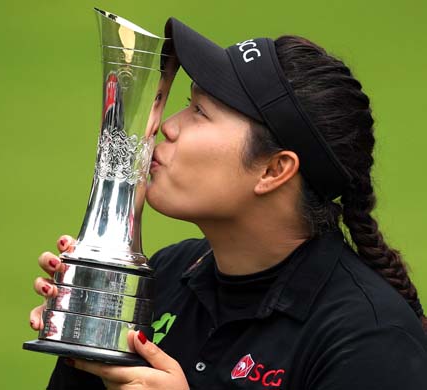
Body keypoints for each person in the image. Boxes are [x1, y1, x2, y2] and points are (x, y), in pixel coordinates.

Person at [28, 17, 427, 389]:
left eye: (201, 111)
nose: (169, 125)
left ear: (274, 170)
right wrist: (83, 339)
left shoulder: (370, 339)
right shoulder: (166, 274)